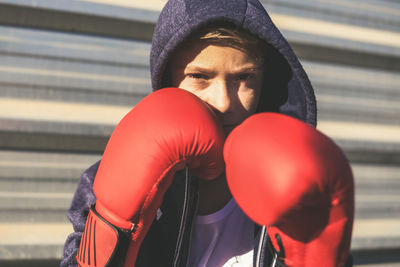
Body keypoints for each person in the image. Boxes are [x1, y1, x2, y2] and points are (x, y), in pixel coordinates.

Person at [61, 0, 354, 266]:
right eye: (200, 77)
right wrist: (113, 226)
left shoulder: (297, 175)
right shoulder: (113, 175)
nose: (224, 102)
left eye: (244, 77)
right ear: (168, 80)